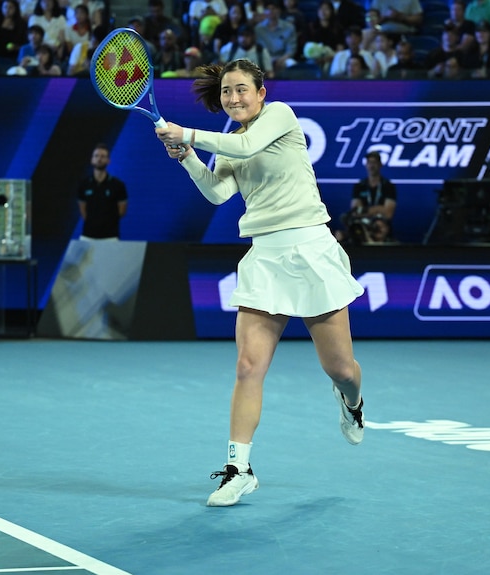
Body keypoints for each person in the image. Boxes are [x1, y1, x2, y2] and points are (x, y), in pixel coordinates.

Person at [155, 59, 366, 507]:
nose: (233, 99)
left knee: (342, 369)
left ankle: (352, 402)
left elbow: (250, 147)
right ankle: (239, 469)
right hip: (265, 257)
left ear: (261, 92)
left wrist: (187, 134)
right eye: (227, 93)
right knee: (248, 367)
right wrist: (189, 158)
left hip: (311, 249)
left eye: (241, 90)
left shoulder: (280, 117)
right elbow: (216, 192)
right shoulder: (229, 140)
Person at [338, 150, 397, 245]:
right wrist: (378, 209)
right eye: (369, 162)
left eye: (374, 162)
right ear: (366, 165)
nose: (371, 166)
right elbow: (356, 211)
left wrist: (365, 210)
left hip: (383, 232)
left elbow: (388, 213)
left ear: (380, 164)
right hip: (363, 232)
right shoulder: (359, 186)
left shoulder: (388, 186)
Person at [76, 144, 127, 240]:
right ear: (92, 160)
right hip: (88, 236)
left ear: (108, 161)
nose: (99, 159)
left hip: (111, 237)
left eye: (103, 156)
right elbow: (82, 209)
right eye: (96, 156)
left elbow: (122, 211)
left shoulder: (118, 185)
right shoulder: (84, 184)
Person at [255, 0, 298, 74]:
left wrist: (281, 60)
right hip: (265, 59)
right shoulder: (258, 29)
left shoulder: (289, 27)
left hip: (283, 58)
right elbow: (259, 49)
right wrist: (269, 60)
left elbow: (291, 49)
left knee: (292, 64)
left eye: (273, 8)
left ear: (279, 10)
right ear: (264, 11)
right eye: (268, 9)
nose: (270, 11)